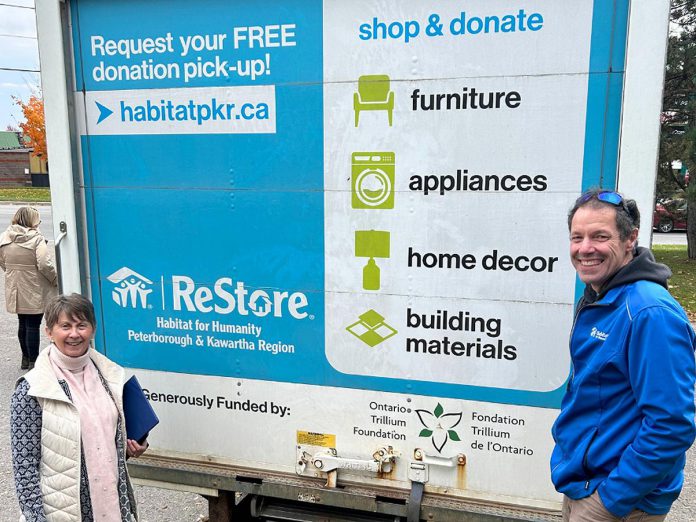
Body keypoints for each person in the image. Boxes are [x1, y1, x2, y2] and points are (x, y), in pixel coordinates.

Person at [551, 189, 696, 521]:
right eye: (577, 237)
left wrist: (612, 498)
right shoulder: (602, 296)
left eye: (600, 236)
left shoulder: (648, 312)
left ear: (630, 239)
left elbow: (670, 425)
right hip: (587, 485)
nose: (585, 248)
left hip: (619, 500)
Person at [10, 293, 148, 521]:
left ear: (92, 329)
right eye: (65, 326)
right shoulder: (32, 389)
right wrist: (35, 518)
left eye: (81, 325)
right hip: (63, 512)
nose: (74, 334)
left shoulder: (109, 375)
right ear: (49, 331)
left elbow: (104, 442)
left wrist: (132, 447)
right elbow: (25, 466)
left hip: (112, 506)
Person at [0, 206, 57, 369]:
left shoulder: (5, 236)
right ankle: (34, 361)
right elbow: (44, 264)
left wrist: (12, 271)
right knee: (33, 324)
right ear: (32, 220)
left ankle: (25, 359)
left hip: (15, 285)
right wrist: (54, 279)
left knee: (22, 322)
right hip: (34, 286)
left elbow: (2, 259)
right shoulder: (36, 239)